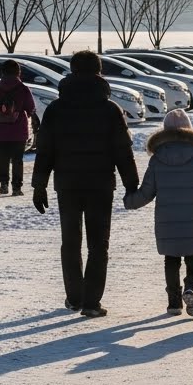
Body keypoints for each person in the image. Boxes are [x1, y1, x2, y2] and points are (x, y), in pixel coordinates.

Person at [31, 50, 138, 318]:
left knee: (70, 242)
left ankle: (74, 298)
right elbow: (122, 151)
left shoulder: (56, 108)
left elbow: (45, 150)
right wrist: (131, 184)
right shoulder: (110, 109)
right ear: (99, 72)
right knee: (98, 244)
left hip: (66, 183)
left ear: (72, 71)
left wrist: (39, 185)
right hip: (101, 184)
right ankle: (91, 303)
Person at [123, 109, 193, 317]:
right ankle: (191, 288)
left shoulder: (157, 159)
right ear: (189, 130)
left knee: (171, 260)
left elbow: (147, 192)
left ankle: (173, 302)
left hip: (167, 222)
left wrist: (130, 201)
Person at [0, 58, 39, 195]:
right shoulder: (23, 89)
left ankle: (3, 184)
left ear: (2, 72)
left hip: (2, 129)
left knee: (3, 158)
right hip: (19, 130)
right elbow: (31, 108)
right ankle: (17, 187)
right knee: (18, 159)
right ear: (18, 72)